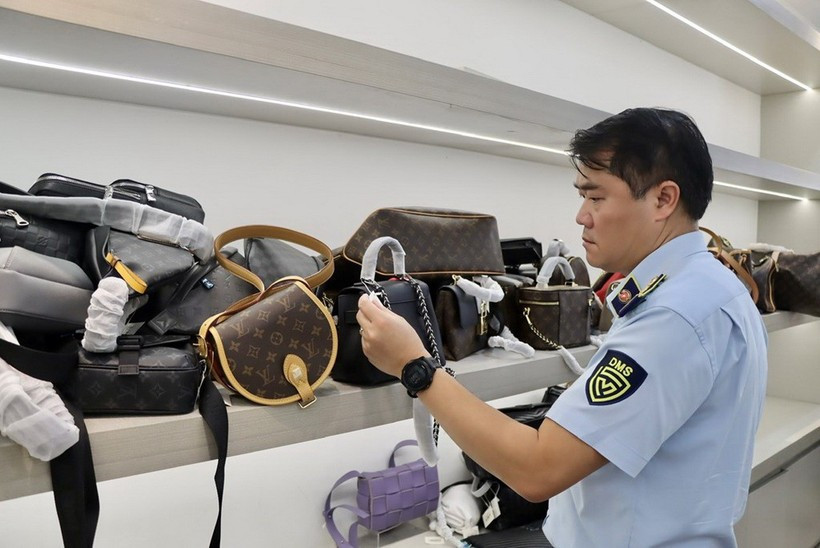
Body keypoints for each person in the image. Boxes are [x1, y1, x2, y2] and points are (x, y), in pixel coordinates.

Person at [356, 107, 768, 547]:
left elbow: (537, 469)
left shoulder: (673, 316)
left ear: (663, 200)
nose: (581, 217)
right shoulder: (711, 286)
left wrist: (416, 367)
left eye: (596, 197)